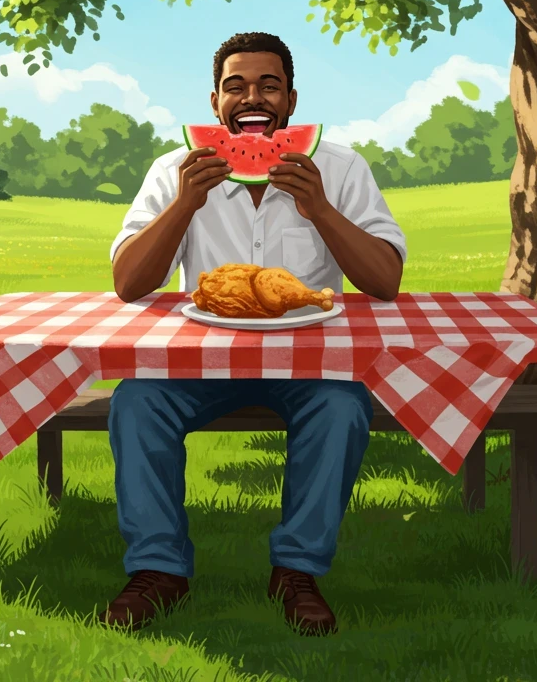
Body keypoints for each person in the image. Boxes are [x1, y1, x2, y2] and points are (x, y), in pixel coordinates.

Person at [104, 31, 407, 636]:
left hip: (308, 363)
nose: (252, 98)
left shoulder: (341, 168)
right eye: (235, 86)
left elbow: (385, 281)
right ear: (214, 102)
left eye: (269, 86)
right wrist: (184, 204)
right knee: (135, 401)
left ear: (291, 100)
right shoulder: (175, 170)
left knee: (343, 407)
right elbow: (129, 283)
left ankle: (297, 570)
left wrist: (320, 207)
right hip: (202, 364)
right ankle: (159, 569)